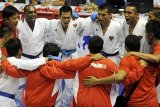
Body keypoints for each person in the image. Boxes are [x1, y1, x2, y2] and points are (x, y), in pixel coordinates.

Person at [1, 37, 102, 106]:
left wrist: (4, 62)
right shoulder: (51, 68)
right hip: (40, 103)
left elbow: (13, 70)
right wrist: (89, 60)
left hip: (26, 101)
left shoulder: (29, 66)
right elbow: (71, 65)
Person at [84, 34, 159, 107]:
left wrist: (97, 81)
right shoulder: (150, 59)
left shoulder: (126, 60)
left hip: (136, 103)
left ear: (126, 48)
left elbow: (120, 78)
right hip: (153, 102)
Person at [125, 20, 160, 106]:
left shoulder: (159, 47)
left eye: (146, 33)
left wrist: (133, 53)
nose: (145, 36)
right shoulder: (155, 48)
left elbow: (156, 59)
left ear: (151, 35)